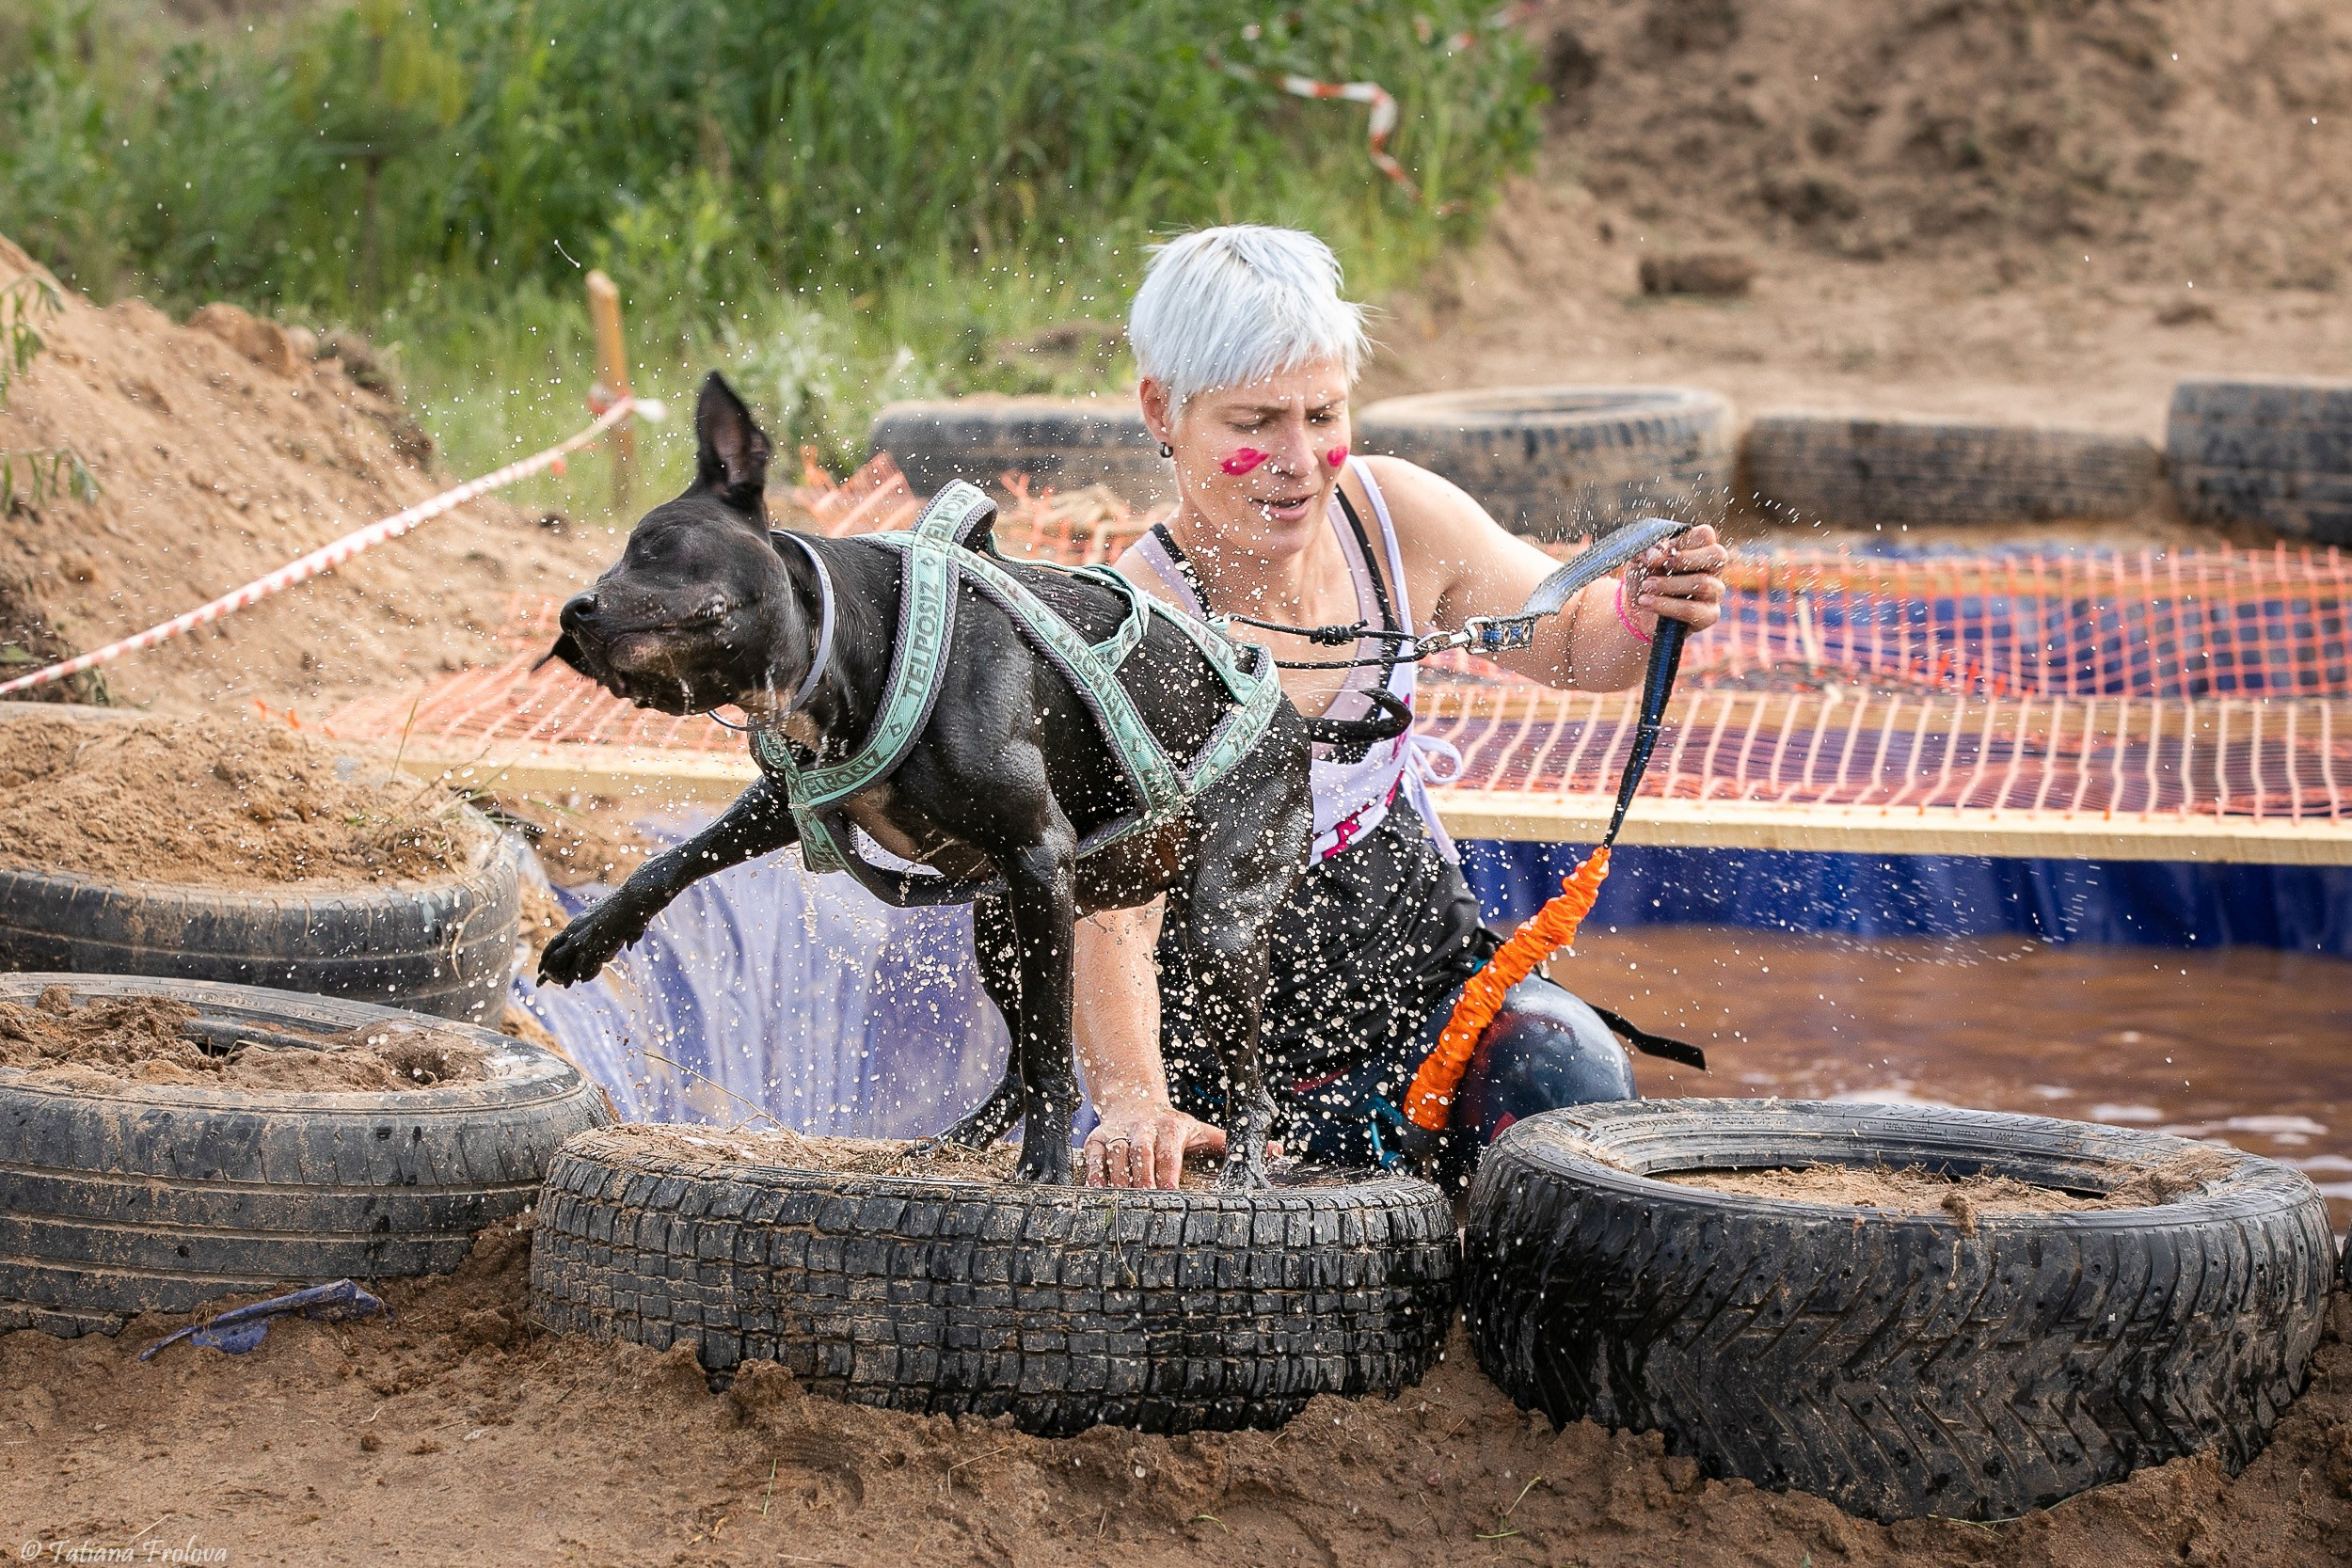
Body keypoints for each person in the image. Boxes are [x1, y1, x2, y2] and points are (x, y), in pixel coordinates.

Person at [1076, 225, 1729, 1189]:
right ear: (1161, 410)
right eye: (1254, 423)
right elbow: (1113, 916)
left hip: (1422, 990)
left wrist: (1638, 610)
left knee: (1569, 1077)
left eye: (1322, 413)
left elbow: (1567, 641)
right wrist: (1135, 1100)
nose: (1300, 459)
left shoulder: (1398, 519)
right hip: (1220, 1059)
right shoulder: (1126, 633)